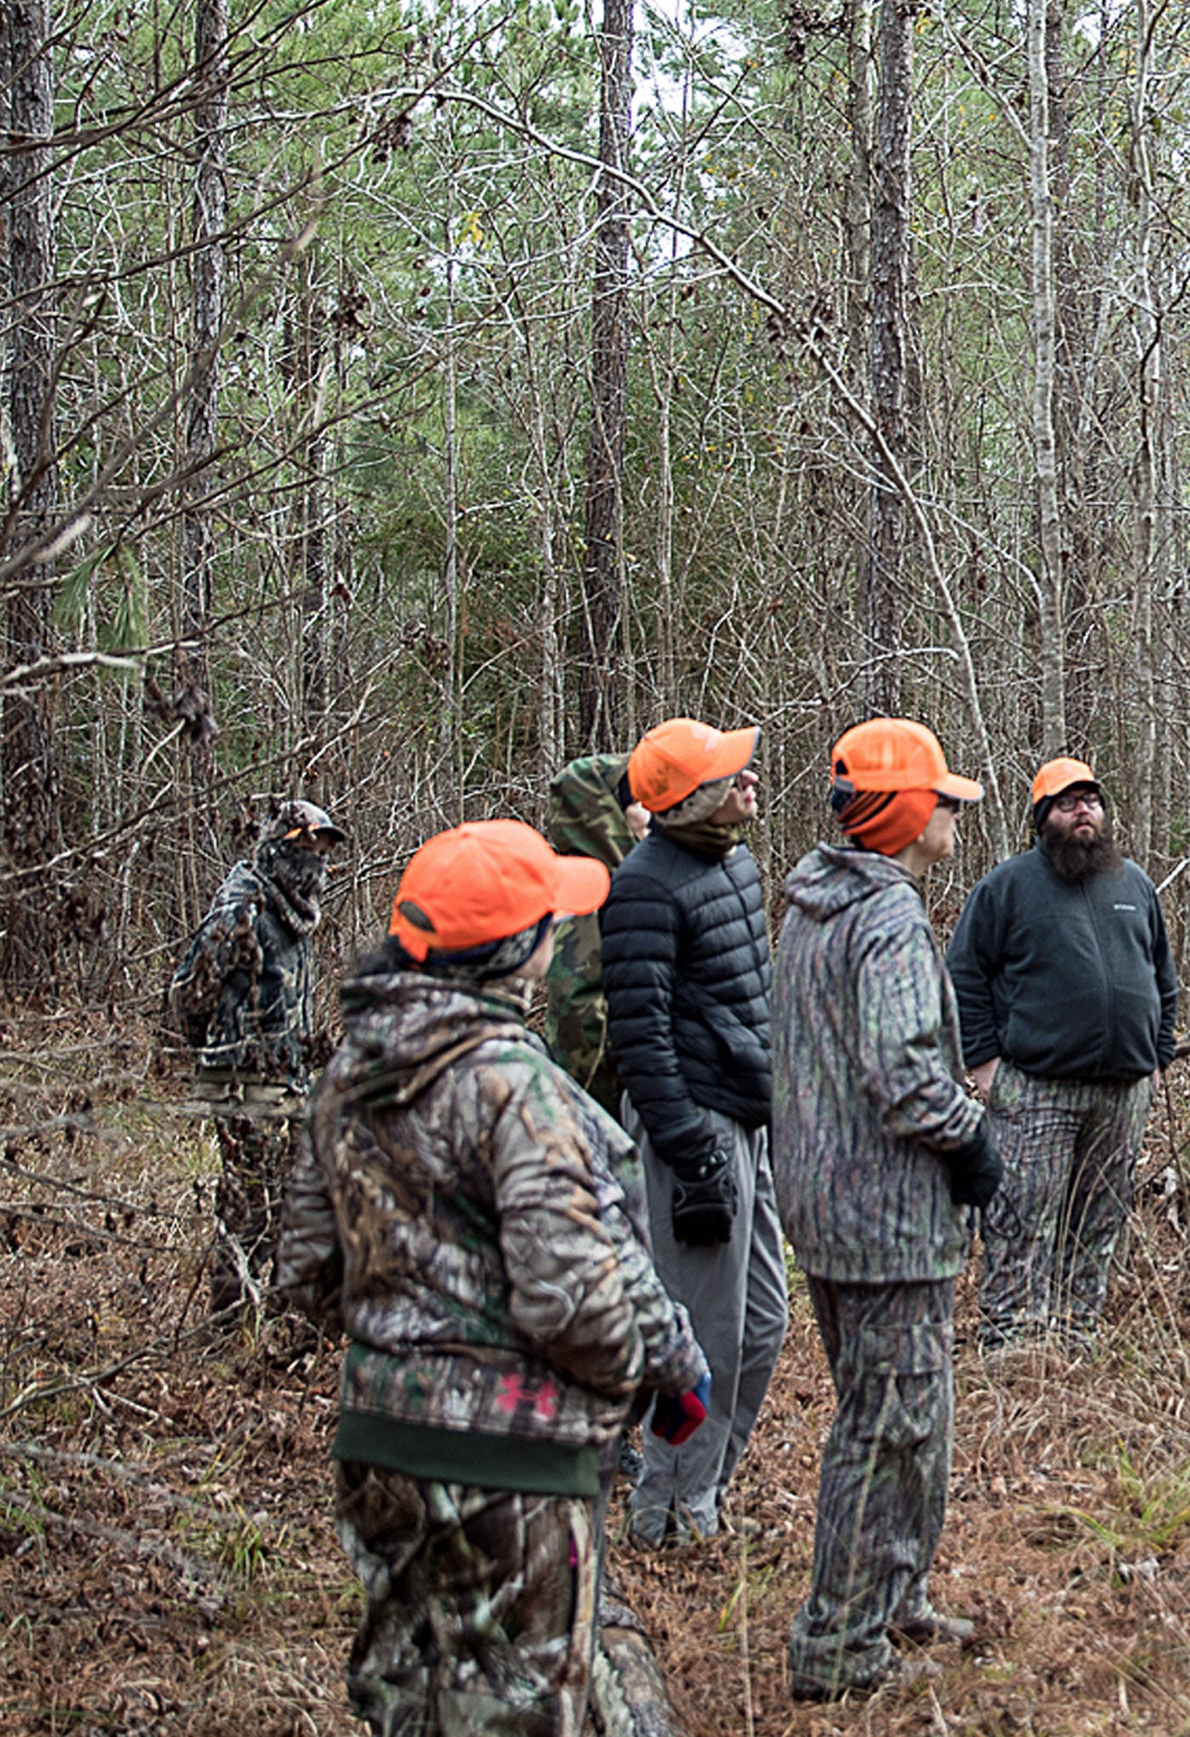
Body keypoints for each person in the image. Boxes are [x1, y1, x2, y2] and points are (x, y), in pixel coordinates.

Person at [273, 820, 710, 1737]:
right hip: (511, 1467)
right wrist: (660, 1375)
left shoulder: (350, 1072)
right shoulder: (521, 1089)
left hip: (379, 1447)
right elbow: (574, 1300)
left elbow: (310, 1278)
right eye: (549, 924)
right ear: (516, 954)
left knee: (407, 1702)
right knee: (516, 1710)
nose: (557, 941)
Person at [772, 718, 997, 1700]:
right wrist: (973, 1139)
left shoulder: (814, 906)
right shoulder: (887, 918)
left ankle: (890, 1601)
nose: (952, 810)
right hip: (880, 1219)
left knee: (908, 1418)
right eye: (940, 796)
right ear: (906, 814)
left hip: (831, 1207)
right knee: (887, 1425)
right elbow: (905, 1078)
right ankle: (838, 1645)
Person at [603, 717, 789, 1549]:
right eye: (728, 775)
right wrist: (691, 1151)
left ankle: (702, 1489)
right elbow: (638, 1037)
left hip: (745, 1119)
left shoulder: (737, 863)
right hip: (693, 1132)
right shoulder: (642, 886)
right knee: (699, 1336)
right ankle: (666, 1514)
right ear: (683, 802)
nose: (748, 781)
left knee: (762, 1322)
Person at [946, 756, 1177, 1349]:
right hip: (1035, 1090)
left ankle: (1078, 1338)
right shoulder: (1007, 887)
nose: (1083, 810)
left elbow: (1162, 974)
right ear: (1042, 816)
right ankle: (1012, 1347)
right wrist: (986, 1068)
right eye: (1068, 801)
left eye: (1092, 799)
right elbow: (965, 977)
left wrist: (1157, 1055)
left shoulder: (1133, 883)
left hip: (1123, 1091)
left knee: (1097, 1223)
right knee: (1021, 1220)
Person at [169, 798, 347, 1311]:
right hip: (243, 1083)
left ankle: (273, 1316)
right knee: (250, 1208)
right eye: (308, 847)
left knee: (291, 1204)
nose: (318, 861)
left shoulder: (295, 910)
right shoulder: (243, 908)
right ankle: (228, 1328)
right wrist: (223, 1054)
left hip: (288, 1081)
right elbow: (187, 994)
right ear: (279, 848)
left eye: (323, 850)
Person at [543, 753, 649, 1119]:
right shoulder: (588, 897)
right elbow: (580, 1019)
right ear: (605, 812)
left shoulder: (632, 882)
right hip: (611, 1112)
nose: (651, 813)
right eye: (637, 803)